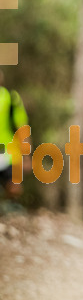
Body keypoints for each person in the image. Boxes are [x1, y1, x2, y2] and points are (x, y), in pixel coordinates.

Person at [0, 71, 29, 204]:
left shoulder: (12, 98)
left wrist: (26, 155)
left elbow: (22, 127)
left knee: (14, 187)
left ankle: (7, 207)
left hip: (9, 152)